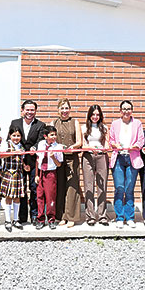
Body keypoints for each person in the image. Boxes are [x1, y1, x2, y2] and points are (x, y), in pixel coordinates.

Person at [108, 100, 144, 229]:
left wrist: (135, 146)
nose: (126, 111)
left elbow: (141, 140)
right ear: (120, 110)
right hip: (119, 158)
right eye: (124, 109)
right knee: (119, 188)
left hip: (132, 157)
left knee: (129, 188)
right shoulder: (115, 124)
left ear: (132, 110)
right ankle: (119, 217)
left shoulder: (137, 123)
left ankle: (129, 217)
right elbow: (111, 140)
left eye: (128, 109)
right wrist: (115, 145)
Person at [10, 100, 46, 224]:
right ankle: (22, 216)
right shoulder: (15, 123)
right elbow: (11, 139)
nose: (29, 112)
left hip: (33, 162)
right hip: (18, 162)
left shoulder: (40, 125)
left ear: (35, 111)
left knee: (34, 188)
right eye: (27, 109)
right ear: (22, 110)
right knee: (21, 189)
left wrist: (35, 147)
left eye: (32, 110)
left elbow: (41, 140)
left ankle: (35, 215)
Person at [53, 98, 83, 228]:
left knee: (72, 187)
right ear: (58, 110)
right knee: (60, 186)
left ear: (70, 109)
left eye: (66, 108)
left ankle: (71, 217)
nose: (64, 111)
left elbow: (79, 142)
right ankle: (61, 216)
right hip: (58, 159)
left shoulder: (75, 122)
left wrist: (73, 147)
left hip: (72, 158)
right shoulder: (54, 122)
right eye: (62, 108)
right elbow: (50, 140)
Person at [81, 104, 109, 226]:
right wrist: (90, 148)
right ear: (89, 115)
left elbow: (107, 143)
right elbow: (83, 145)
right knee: (89, 185)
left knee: (102, 185)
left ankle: (102, 215)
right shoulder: (84, 128)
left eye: (98, 114)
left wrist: (103, 149)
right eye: (93, 114)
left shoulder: (105, 128)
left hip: (101, 156)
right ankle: (90, 215)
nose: (95, 117)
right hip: (88, 156)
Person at [35, 125, 63, 230]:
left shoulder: (58, 147)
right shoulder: (41, 144)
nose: (54, 137)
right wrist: (36, 174)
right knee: (40, 196)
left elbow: (59, 164)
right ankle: (40, 219)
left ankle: (51, 219)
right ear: (45, 136)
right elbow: (38, 159)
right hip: (41, 172)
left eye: (55, 135)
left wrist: (53, 157)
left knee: (50, 197)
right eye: (51, 135)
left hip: (50, 173)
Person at [0, 125, 27, 231]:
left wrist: (25, 166)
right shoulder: (6, 144)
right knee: (9, 197)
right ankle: (7, 220)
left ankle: (16, 219)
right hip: (8, 173)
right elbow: (1, 155)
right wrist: (14, 152)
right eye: (14, 135)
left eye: (18, 136)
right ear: (10, 135)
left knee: (17, 197)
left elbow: (22, 159)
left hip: (18, 174)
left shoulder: (21, 146)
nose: (16, 138)